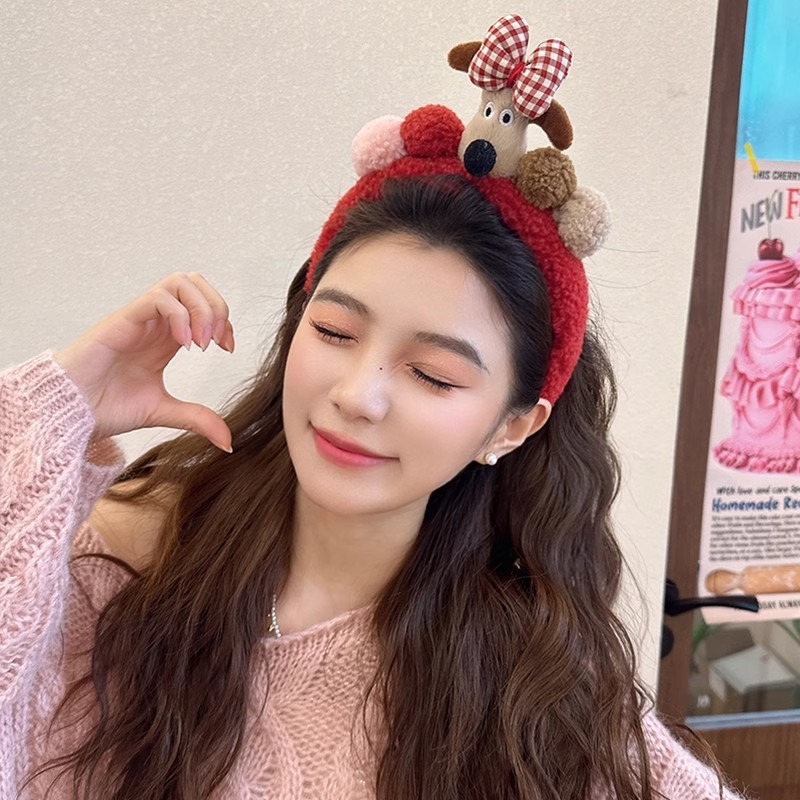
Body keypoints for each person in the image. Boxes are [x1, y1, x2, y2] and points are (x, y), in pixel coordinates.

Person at [1, 41, 744, 800]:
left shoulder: (538, 698)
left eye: (432, 374)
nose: (359, 395)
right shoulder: (129, 556)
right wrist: (53, 409)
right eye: (334, 332)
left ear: (512, 427)